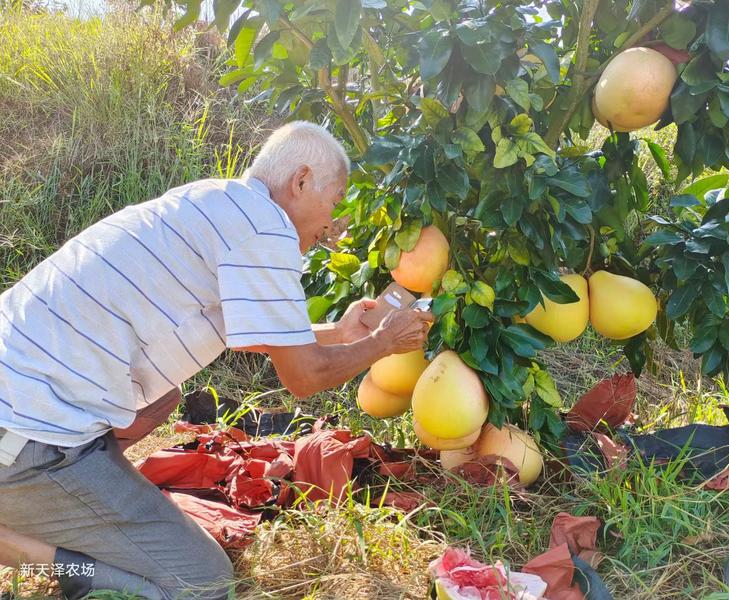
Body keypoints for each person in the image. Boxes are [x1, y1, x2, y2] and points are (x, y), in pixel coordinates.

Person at [0, 121, 433, 599]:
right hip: (27, 441)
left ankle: (67, 508)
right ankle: (28, 548)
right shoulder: (266, 228)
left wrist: (340, 333)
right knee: (200, 583)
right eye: (334, 202)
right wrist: (382, 343)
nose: (332, 224)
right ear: (302, 180)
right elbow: (304, 378)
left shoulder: (218, 203)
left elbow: (246, 333)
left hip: (19, 397)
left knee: (162, 399)